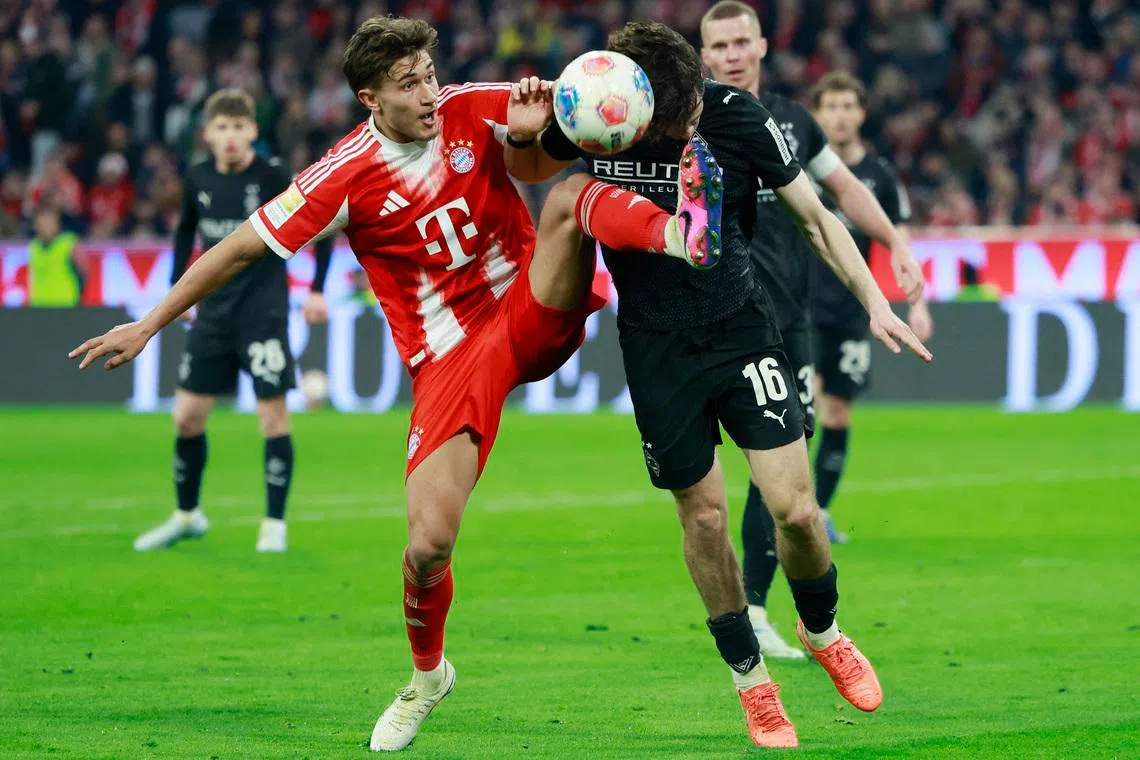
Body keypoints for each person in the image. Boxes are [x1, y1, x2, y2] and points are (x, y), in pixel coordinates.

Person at [69, 16, 721, 752]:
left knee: (570, 198)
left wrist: (530, 136)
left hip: (528, 309)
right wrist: (151, 322)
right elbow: (242, 247)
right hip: (449, 359)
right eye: (409, 85)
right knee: (427, 547)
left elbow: (539, 168)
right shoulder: (341, 175)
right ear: (369, 98)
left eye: (430, 76)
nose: (429, 94)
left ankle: (680, 233)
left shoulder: (473, 104)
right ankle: (427, 677)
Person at [537, 22, 931, 748]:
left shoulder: (735, 116)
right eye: (683, 107)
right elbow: (529, 165)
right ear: (640, 103)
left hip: (743, 327)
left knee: (798, 511)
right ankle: (752, 683)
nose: (697, 114)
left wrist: (877, 300)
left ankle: (825, 630)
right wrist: (530, 114)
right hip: (656, 349)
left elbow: (816, 215)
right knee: (705, 520)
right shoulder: (601, 114)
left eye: (699, 100)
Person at [699, 0, 932, 656]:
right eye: (720, 46)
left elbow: (846, 191)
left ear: (764, 45)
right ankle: (752, 607)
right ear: (705, 55)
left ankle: (760, 605)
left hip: (786, 322)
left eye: (743, 41)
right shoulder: (687, 125)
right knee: (722, 481)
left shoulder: (794, 123)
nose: (734, 54)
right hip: (714, 319)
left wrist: (895, 241)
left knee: (777, 472)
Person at [130, 89, 332, 554]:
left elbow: (320, 228)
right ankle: (186, 515)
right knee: (186, 418)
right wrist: (177, 294)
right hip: (212, 317)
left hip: (262, 316)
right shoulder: (197, 177)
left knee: (273, 419)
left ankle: (273, 525)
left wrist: (317, 287)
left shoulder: (274, 176)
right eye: (221, 128)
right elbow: (185, 232)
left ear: (253, 133)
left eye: (239, 127)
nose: (230, 137)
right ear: (208, 134)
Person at [809, 70, 933, 533]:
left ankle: (817, 511)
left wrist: (916, 304)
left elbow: (898, 240)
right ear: (818, 115)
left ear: (861, 113)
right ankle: (790, 510)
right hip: (797, 306)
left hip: (848, 310)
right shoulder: (799, 167)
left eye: (848, 106)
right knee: (799, 411)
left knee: (838, 410)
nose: (840, 116)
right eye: (831, 107)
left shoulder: (878, 175)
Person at [27, 205, 84, 307]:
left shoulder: (69, 243)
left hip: (65, 303)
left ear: (57, 224)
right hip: (39, 304)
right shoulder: (33, 246)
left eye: (49, 223)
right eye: (42, 223)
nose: (45, 227)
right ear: (35, 225)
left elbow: (83, 273)